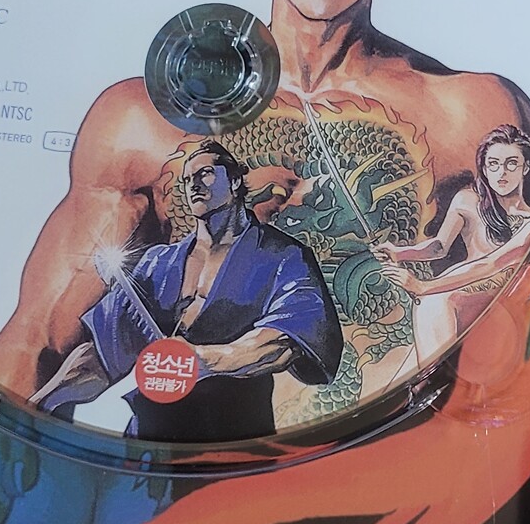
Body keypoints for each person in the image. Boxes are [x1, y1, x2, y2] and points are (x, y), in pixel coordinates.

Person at [0, 0, 530, 412]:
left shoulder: (473, 114)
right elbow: (40, 339)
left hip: (395, 450)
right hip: (191, 452)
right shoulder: (143, 121)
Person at [31, 142, 342, 441]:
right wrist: (41, 403)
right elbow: (102, 355)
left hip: (234, 438)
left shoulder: (283, 256)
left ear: (234, 181)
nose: (194, 185)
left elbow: (283, 343)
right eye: (188, 179)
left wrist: (202, 360)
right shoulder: (157, 263)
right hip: (150, 438)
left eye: (205, 173)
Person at [378, 124, 530, 356]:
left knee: (436, 303)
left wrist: (423, 286)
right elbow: (439, 247)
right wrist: (399, 253)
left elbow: (491, 265)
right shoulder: (466, 200)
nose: (502, 172)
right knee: (434, 306)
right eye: (493, 164)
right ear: (484, 168)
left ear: (526, 167)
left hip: (498, 296)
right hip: (455, 288)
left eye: (511, 163)